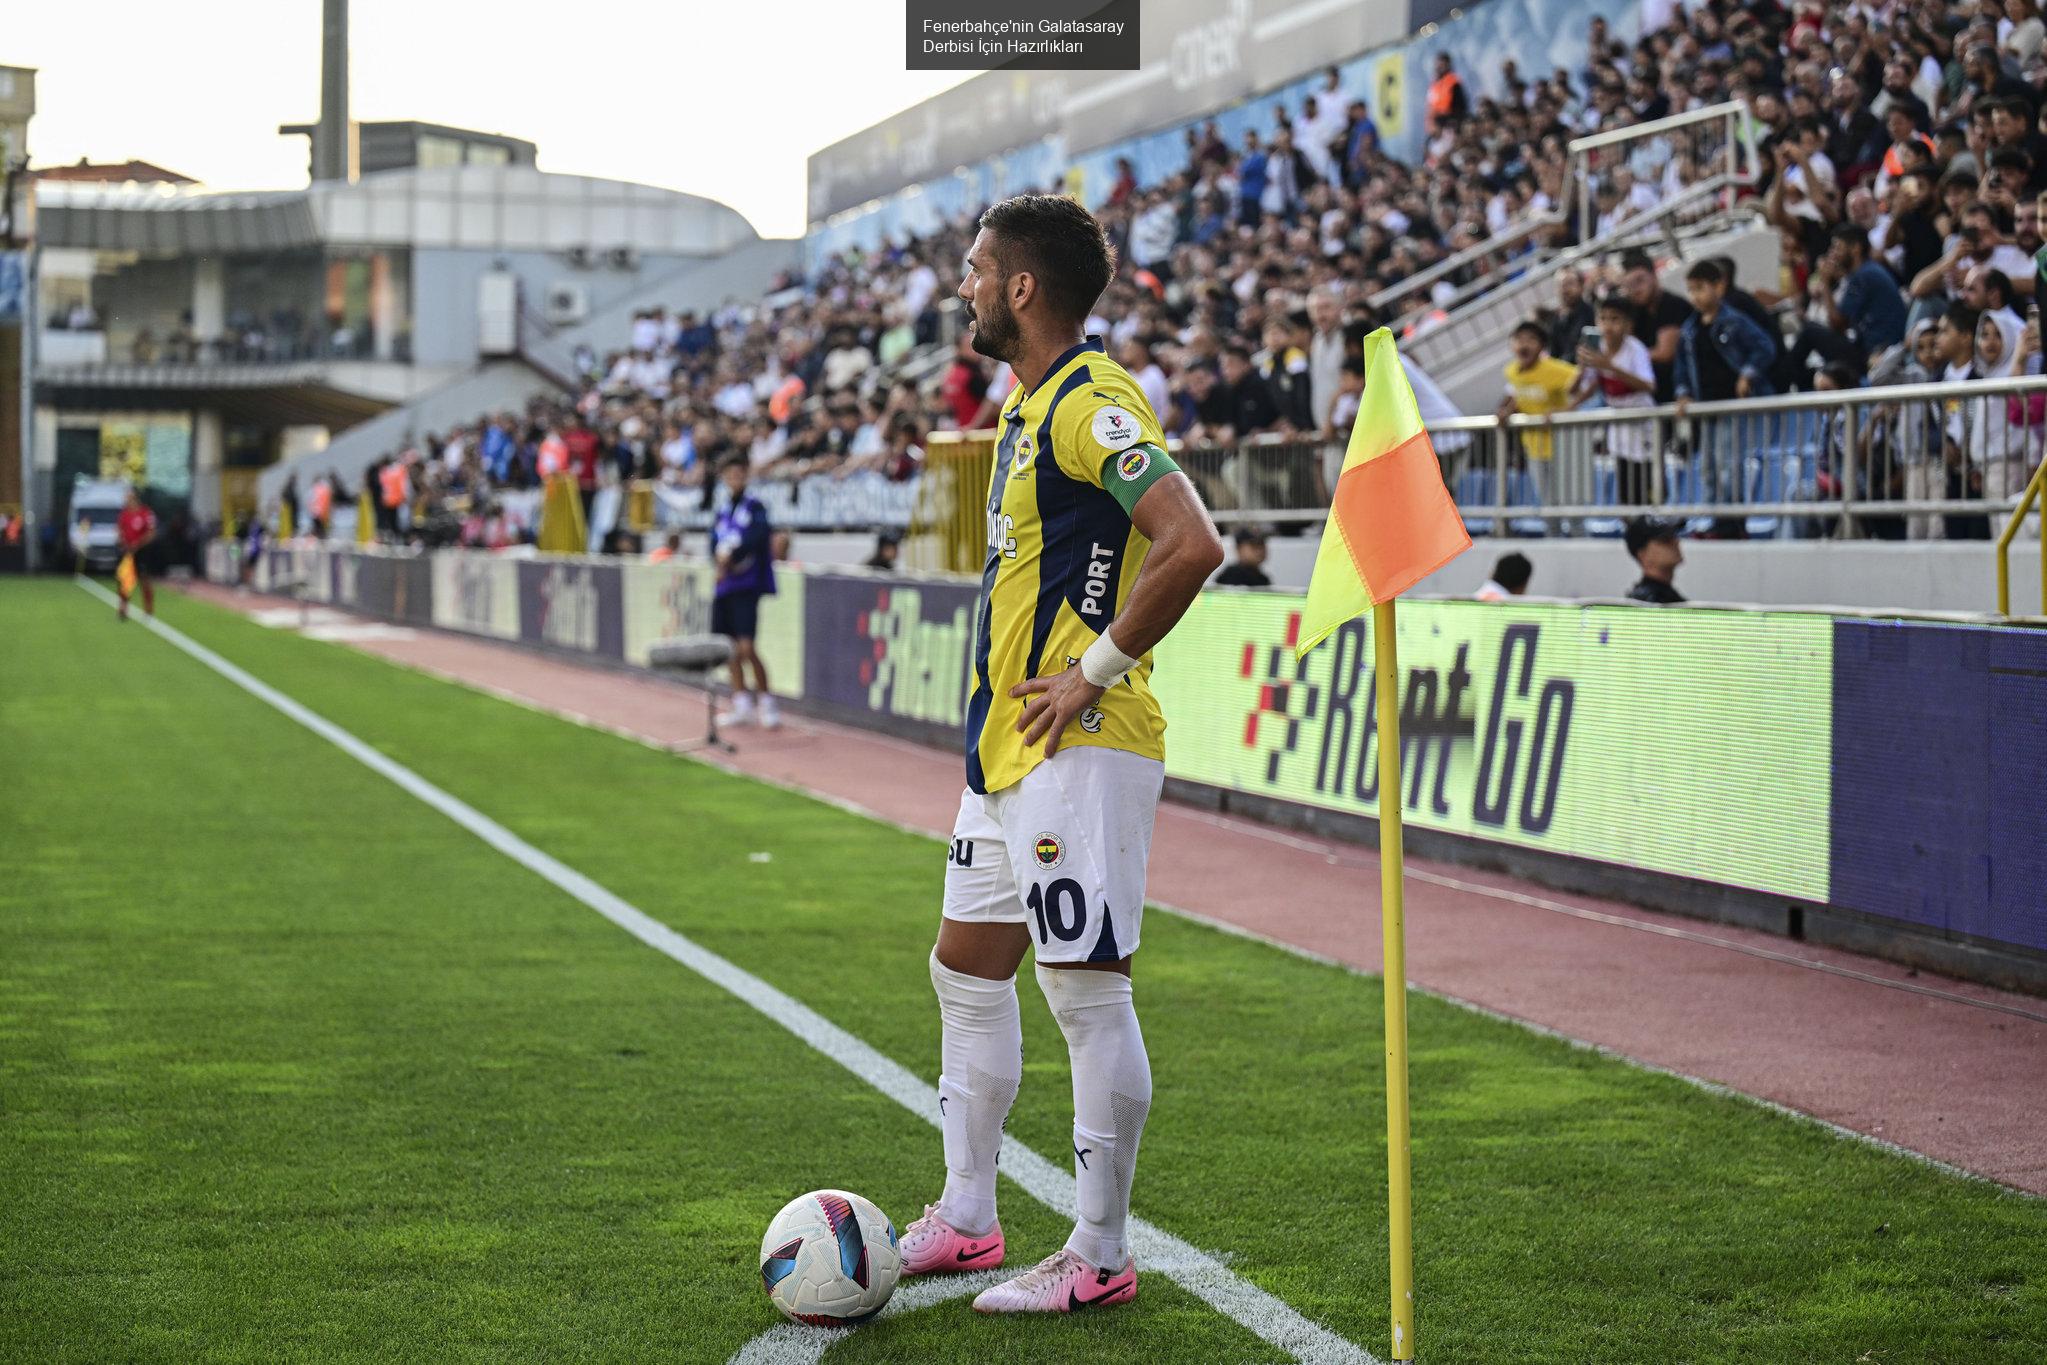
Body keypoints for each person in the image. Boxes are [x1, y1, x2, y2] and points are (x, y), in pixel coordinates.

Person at [901, 193, 1224, 1315]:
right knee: (963, 968)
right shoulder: (1031, 409)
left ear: (1021, 289)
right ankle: (969, 1218)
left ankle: (1098, 1251)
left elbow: (1191, 544)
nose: (964, 285)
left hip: (1079, 743)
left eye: (977, 268)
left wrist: (1091, 670)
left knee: (1084, 991)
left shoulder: (1092, 403)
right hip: (1004, 753)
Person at [710, 457, 780, 729]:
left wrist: (733, 555)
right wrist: (717, 561)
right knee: (729, 649)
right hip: (725, 586)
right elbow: (713, 543)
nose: (734, 478)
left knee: (747, 647)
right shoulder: (723, 511)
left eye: (739, 473)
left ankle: (766, 701)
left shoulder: (755, 507)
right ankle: (741, 702)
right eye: (730, 474)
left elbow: (758, 536)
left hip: (746, 585)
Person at [1571, 296, 1658, 505]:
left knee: (1644, 480)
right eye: (1603, 318)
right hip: (1618, 423)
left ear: (1628, 324)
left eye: (1615, 319)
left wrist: (1610, 366)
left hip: (1641, 420)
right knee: (1624, 480)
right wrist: (1581, 369)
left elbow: (1649, 385)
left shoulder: (1634, 348)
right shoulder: (1596, 347)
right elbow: (1586, 387)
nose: (1608, 325)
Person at [1498, 322, 1579, 511]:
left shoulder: (1558, 369)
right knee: (1546, 504)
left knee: (1572, 505)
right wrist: (1508, 410)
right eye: (1519, 340)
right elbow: (1519, 393)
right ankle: (1553, 538)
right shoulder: (1511, 371)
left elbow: (1589, 382)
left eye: (1531, 340)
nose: (1524, 345)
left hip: (1563, 447)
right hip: (1534, 447)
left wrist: (1565, 410)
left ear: (1542, 346)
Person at [114, 486, 157, 621]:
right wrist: (121, 541)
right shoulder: (124, 514)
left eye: (128, 497)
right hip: (128, 551)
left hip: (142, 551)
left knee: (144, 579)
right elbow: (119, 530)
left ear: (135, 498)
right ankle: (123, 607)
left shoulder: (146, 513)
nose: (126, 500)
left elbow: (151, 533)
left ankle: (148, 609)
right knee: (124, 578)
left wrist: (138, 544)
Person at [1623, 517, 1686, 604]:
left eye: (1674, 535)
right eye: (1665, 539)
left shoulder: (1665, 597)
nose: (1676, 542)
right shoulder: (1645, 603)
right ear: (1643, 555)